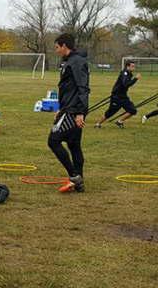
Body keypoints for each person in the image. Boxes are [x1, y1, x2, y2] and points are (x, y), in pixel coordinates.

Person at [48, 33, 89, 193]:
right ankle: (79, 181)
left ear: (64, 45)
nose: (56, 50)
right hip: (67, 108)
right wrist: (59, 107)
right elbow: (66, 88)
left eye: (57, 47)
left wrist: (80, 113)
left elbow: (83, 88)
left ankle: (74, 176)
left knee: (53, 141)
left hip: (73, 110)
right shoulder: (68, 62)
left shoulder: (77, 62)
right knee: (73, 145)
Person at [95, 60, 140, 128]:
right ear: (127, 66)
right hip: (116, 97)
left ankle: (119, 121)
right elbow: (125, 84)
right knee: (110, 113)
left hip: (123, 96)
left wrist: (134, 79)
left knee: (133, 110)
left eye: (134, 66)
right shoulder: (124, 73)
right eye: (132, 66)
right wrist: (135, 79)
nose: (134, 68)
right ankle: (98, 124)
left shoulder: (129, 73)